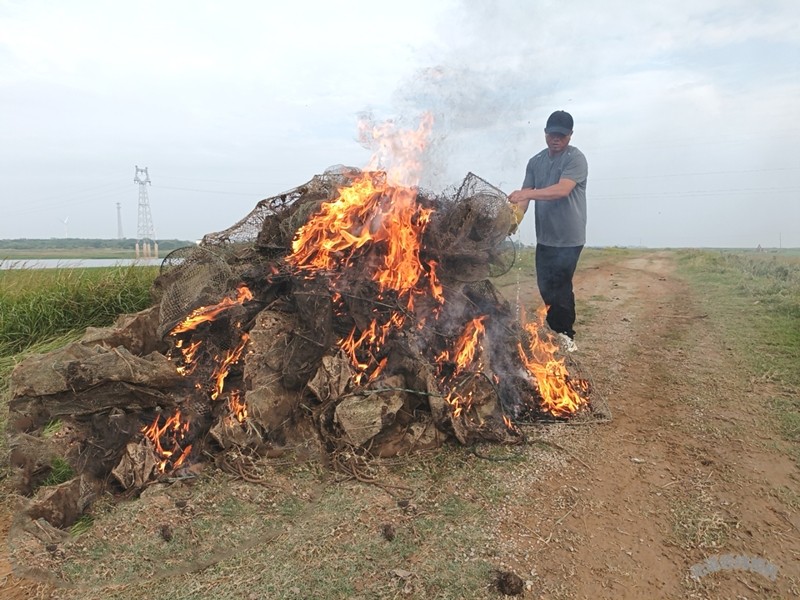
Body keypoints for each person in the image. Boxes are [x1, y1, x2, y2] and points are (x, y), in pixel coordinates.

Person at [508, 110, 588, 352]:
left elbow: (561, 190)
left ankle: (566, 335)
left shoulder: (576, 159)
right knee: (545, 286)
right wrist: (514, 222)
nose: (556, 139)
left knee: (560, 285)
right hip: (546, 236)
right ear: (545, 133)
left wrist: (527, 193)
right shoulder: (535, 162)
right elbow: (524, 198)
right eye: (553, 134)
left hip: (570, 237)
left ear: (570, 136)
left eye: (562, 136)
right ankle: (554, 330)